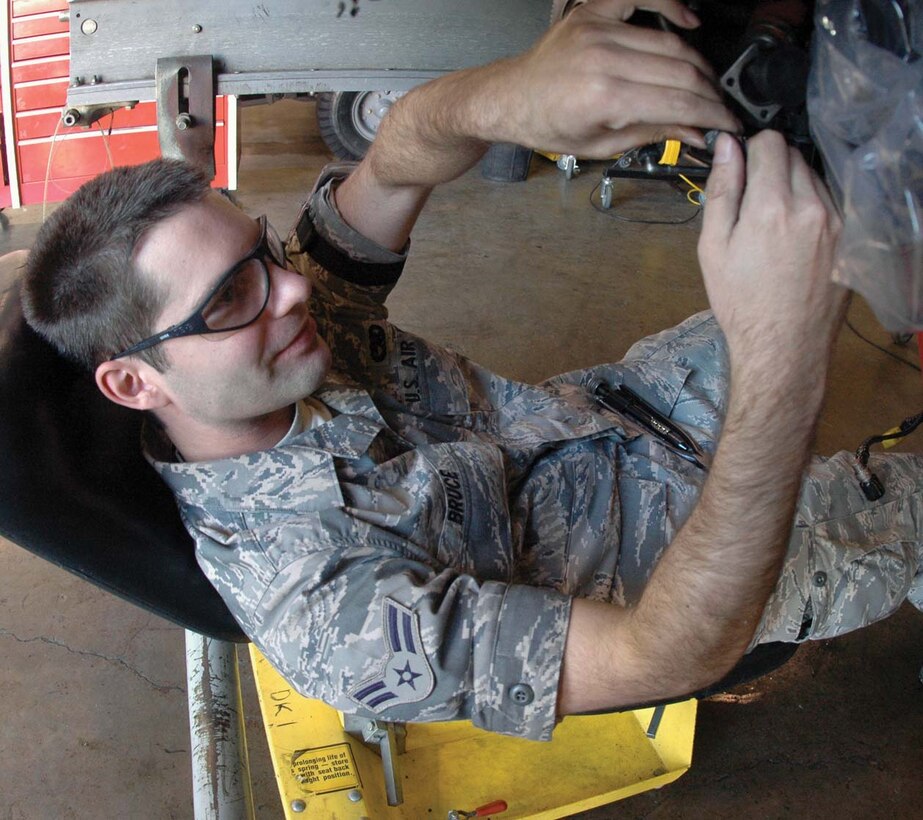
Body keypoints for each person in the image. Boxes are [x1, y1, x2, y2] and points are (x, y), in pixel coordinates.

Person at [21, 0, 921, 741]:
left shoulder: (273, 329)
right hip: (687, 579)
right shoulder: (329, 615)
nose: (294, 290)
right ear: (134, 383)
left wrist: (516, 92)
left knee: (847, 203)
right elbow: (662, 657)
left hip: (622, 418)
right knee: (895, 487)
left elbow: (402, 152)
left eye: (262, 251)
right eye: (228, 299)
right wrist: (782, 360)